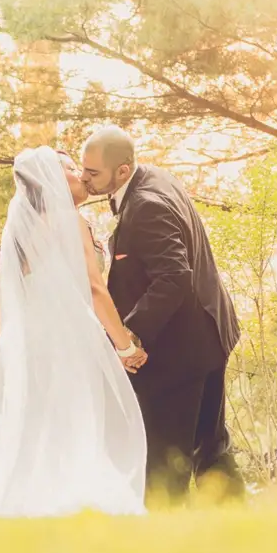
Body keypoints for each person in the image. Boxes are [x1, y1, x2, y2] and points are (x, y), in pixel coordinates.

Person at [0, 147, 147, 521]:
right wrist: (125, 347)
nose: (82, 174)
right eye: (72, 168)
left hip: (25, 344)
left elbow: (7, 304)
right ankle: (66, 498)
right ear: (53, 180)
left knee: (31, 425)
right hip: (66, 339)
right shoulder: (70, 222)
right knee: (71, 420)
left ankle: (27, 500)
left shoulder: (19, 230)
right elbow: (95, 290)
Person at [79, 125, 242, 501]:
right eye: (83, 169)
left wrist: (131, 334)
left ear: (123, 170)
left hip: (179, 349)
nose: (85, 178)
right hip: (206, 334)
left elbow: (173, 276)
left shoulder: (147, 205)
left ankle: (166, 520)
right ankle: (236, 518)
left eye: (93, 173)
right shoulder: (154, 177)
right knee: (210, 445)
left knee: (167, 455)